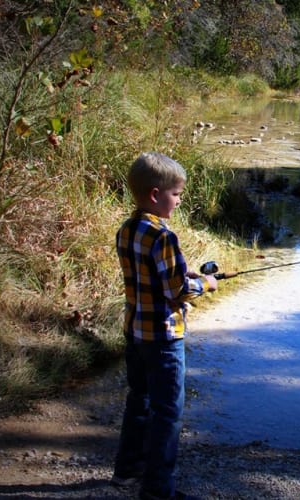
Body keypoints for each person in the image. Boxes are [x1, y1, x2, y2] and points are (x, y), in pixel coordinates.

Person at [111, 152, 218, 500]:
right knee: (168, 412)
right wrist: (206, 284)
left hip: (135, 332)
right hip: (163, 337)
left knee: (138, 400)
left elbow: (150, 273)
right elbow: (177, 290)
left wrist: (184, 272)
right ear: (156, 194)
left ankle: (128, 471)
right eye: (176, 194)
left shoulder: (127, 229)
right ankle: (158, 491)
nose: (179, 199)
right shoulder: (164, 236)